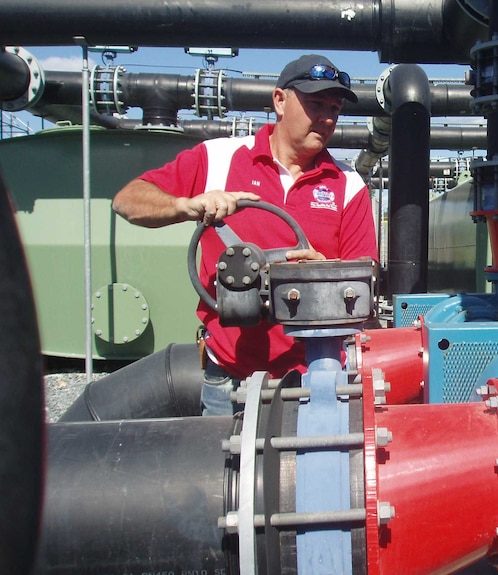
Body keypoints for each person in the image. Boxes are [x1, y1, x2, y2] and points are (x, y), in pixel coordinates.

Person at [112, 54, 379, 415]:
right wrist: (188, 205)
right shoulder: (218, 159)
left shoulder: (347, 185)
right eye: (316, 104)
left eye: (334, 108)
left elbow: (365, 280)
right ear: (280, 101)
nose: (328, 117)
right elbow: (127, 201)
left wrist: (326, 272)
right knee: (226, 473)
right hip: (229, 378)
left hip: (317, 378)